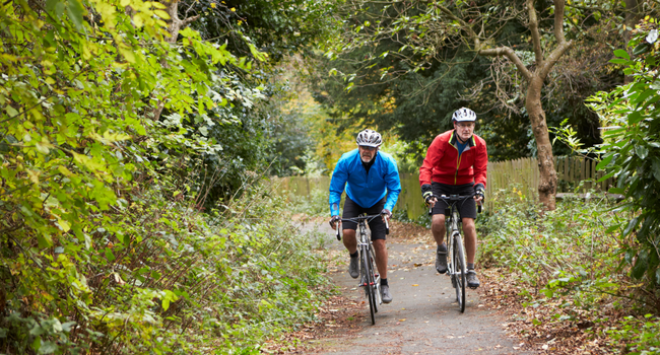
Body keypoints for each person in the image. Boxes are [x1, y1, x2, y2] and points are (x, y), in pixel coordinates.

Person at [328, 129, 401, 304]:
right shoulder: (346, 160)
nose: (366, 150)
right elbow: (335, 189)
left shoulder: (387, 162)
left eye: (371, 147)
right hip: (354, 199)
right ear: (358, 147)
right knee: (347, 233)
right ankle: (354, 255)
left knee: (379, 242)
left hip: (377, 201)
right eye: (363, 146)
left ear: (377, 148)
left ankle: (384, 284)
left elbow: (394, 189)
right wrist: (335, 214)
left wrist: (388, 209)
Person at [419, 108, 487, 288]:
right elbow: (426, 167)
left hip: (466, 185)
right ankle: (441, 247)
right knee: (438, 221)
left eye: (470, 125)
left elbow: (480, 171)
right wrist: (427, 190)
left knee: (469, 225)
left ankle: (471, 269)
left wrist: (479, 188)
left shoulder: (479, 144)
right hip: (441, 183)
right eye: (463, 125)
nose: (467, 129)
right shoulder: (441, 141)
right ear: (455, 125)